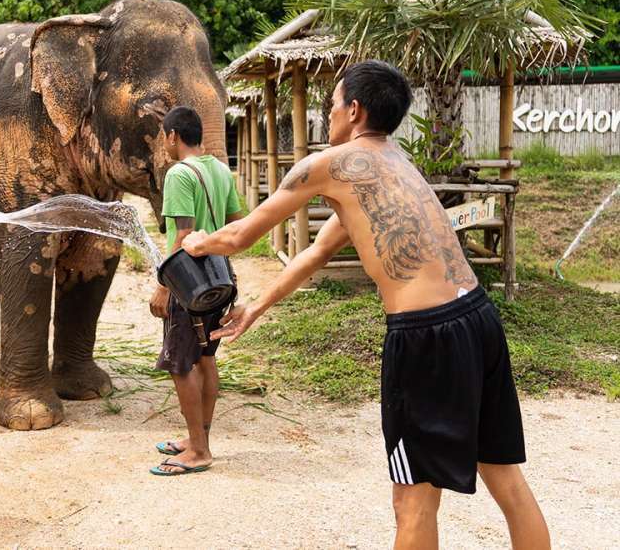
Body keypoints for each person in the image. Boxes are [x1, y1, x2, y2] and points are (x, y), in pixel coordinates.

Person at [181, 60, 549, 549]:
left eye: (330, 105)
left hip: (426, 337)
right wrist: (256, 306)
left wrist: (196, 244)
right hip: (478, 319)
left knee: (413, 500)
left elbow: (238, 237)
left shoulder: (327, 165)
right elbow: (317, 251)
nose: (326, 115)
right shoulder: (397, 163)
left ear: (353, 110)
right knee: (505, 479)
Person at [147, 106, 243, 476]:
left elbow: (183, 237)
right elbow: (235, 223)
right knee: (206, 358)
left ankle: (199, 451)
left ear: (172, 136)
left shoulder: (179, 174)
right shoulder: (220, 169)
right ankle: (198, 437)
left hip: (187, 285)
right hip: (217, 279)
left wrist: (162, 287)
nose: (164, 145)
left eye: (164, 138)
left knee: (180, 363)